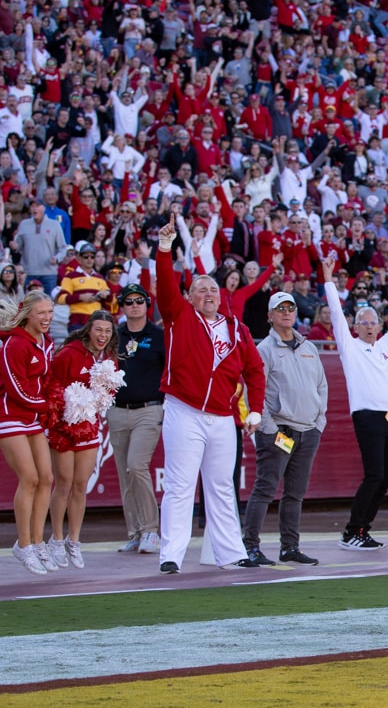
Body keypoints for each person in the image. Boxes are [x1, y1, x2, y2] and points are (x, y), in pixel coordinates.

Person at [155, 216, 265, 574]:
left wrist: (256, 411)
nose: (209, 295)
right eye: (201, 290)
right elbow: (166, 286)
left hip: (223, 417)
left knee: (222, 487)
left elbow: (255, 371)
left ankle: (231, 553)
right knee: (180, 485)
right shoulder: (179, 315)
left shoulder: (238, 329)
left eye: (213, 291)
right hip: (183, 410)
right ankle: (171, 554)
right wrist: (165, 248)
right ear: (190, 296)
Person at [322, 254, 388, 550]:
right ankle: (351, 531)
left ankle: (363, 528)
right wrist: (328, 279)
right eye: (362, 323)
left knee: (386, 478)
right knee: (374, 474)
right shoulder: (350, 347)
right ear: (355, 328)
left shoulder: (386, 346)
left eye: (372, 322)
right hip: (367, 416)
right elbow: (337, 315)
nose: (368, 326)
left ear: (379, 327)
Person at [241, 291, 328, 567]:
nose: (287, 313)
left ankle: (290, 547)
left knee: (295, 493)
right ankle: (250, 547)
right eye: (280, 309)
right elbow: (254, 390)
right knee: (265, 489)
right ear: (270, 316)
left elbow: (322, 386)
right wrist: (268, 428)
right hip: (280, 430)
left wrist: (319, 423)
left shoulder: (309, 348)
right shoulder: (264, 349)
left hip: (308, 431)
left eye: (290, 308)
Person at [0, 291, 56, 575]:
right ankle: (23, 545)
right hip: (8, 415)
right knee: (29, 478)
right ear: (28, 314)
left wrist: (57, 401)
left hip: (32, 416)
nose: (47, 318)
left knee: (47, 478)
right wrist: (48, 406)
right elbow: (16, 391)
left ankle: (39, 542)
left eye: (50, 312)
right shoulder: (14, 345)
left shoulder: (46, 343)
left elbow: (48, 382)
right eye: (41, 313)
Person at [45, 310, 118, 569]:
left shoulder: (109, 360)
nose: (103, 335)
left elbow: (108, 394)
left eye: (108, 331)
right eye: (99, 330)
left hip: (89, 427)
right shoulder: (69, 354)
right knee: (63, 482)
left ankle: (73, 541)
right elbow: (51, 385)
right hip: (64, 426)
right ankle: (55, 539)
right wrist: (60, 414)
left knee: (80, 484)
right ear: (88, 329)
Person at [107, 284, 165, 555]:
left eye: (139, 301)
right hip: (117, 409)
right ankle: (135, 532)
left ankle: (151, 530)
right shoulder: (114, 335)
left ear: (147, 304)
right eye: (128, 302)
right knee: (124, 473)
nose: (134, 306)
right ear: (122, 306)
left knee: (136, 466)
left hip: (149, 409)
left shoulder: (159, 336)